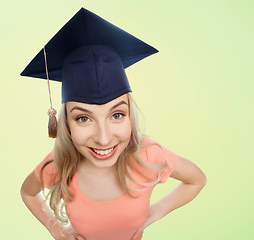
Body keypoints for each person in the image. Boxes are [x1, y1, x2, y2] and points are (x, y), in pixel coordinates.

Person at [19, 8, 206, 240]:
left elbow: (197, 179)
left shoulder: (149, 157)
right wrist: (57, 230)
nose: (104, 138)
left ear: (130, 115)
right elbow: (28, 193)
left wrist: (155, 212)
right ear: (65, 122)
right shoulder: (59, 165)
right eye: (83, 118)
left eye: (116, 115)